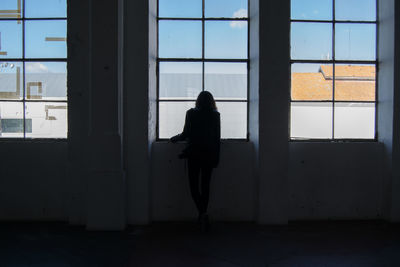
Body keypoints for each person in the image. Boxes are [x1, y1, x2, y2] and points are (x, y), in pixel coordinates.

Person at [170, 91, 221, 231]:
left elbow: (186, 134)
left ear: (197, 100)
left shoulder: (191, 113)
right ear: (212, 101)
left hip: (194, 154)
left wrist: (174, 138)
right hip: (209, 155)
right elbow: (217, 139)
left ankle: (202, 214)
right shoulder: (215, 115)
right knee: (205, 187)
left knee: (193, 187)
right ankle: (203, 215)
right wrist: (217, 158)